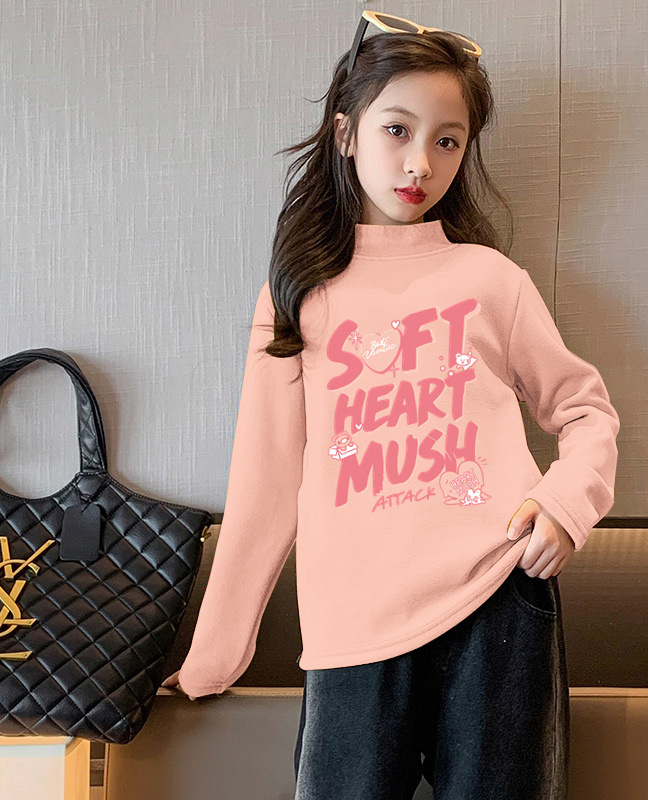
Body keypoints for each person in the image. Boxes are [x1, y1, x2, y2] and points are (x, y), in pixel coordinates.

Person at [162, 11, 620, 799]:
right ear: (346, 133)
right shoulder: (298, 295)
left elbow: (585, 411)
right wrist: (215, 655)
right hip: (353, 622)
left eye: (448, 141)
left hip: (497, 598)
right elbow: (267, 484)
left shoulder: (490, 280)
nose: (420, 162)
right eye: (397, 130)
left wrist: (564, 504)